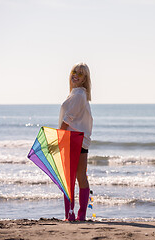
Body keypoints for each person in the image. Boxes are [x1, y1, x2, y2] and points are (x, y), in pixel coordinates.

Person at [58, 62, 93, 221]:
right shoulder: (78, 94)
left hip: (73, 139)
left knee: (70, 178)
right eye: (74, 71)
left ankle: (71, 215)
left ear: (85, 78)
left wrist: (59, 136)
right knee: (79, 177)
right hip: (80, 139)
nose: (76, 75)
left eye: (80, 73)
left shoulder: (78, 94)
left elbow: (67, 119)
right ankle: (80, 215)